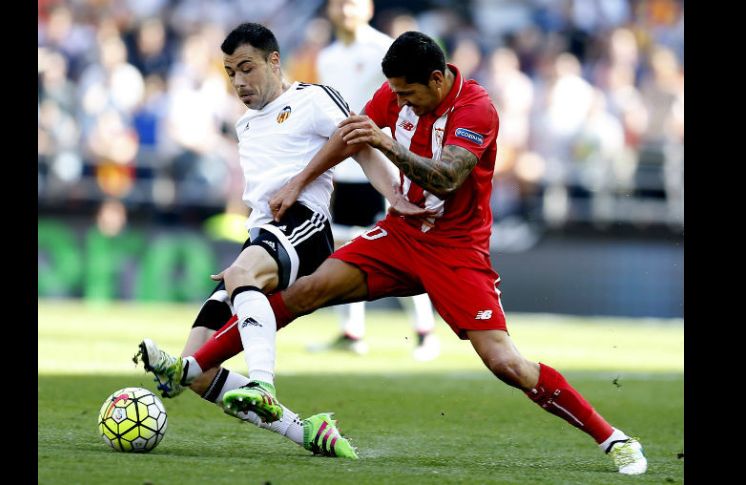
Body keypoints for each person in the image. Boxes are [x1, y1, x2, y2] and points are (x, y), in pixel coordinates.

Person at [147, 31, 648, 475]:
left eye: (408, 94)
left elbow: (447, 176)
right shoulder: (394, 92)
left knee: (505, 363)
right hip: (401, 234)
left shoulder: (476, 109)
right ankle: (191, 367)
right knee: (304, 290)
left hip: (456, 249)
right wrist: (299, 181)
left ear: (437, 79)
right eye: (395, 94)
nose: (399, 102)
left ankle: (614, 438)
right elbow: (350, 136)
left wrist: (388, 144)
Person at [134, 22, 428, 459]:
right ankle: (307, 431)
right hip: (260, 238)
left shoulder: (311, 98)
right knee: (195, 372)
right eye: (231, 72)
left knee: (240, 273)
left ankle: (262, 383)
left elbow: (360, 142)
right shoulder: (244, 125)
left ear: (274, 61)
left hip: (305, 226)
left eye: (246, 69)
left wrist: (396, 197)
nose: (238, 82)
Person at [312, 0, 440, 360]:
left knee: (397, 249)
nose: (344, 10)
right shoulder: (328, 56)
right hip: (343, 165)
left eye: (352, 3)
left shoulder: (384, 48)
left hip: (379, 166)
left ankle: (425, 331)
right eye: (338, 4)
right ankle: (352, 332)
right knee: (343, 247)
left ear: (367, 8)